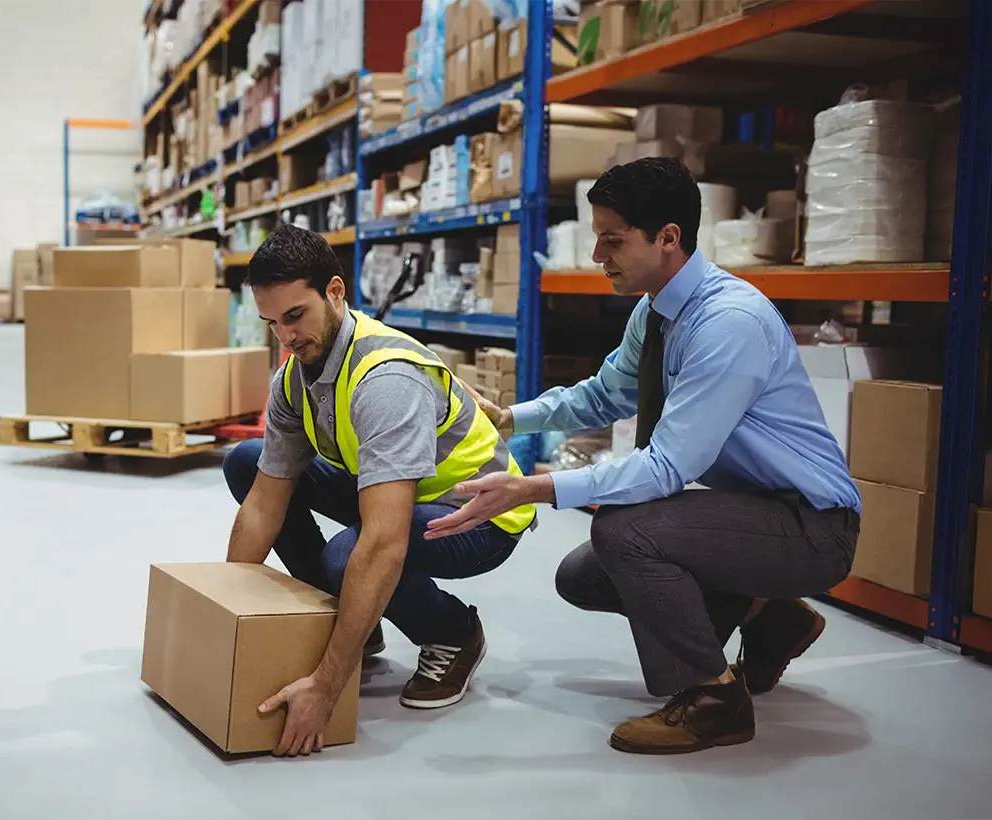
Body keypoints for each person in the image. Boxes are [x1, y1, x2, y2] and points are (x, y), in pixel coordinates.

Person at [426, 157, 861, 755]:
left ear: (668, 238)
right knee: (583, 575)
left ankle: (711, 700)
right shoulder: (656, 311)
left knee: (627, 530)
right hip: (760, 511)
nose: (598, 255)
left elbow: (666, 467)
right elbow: (606, 394)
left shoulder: (726, 323)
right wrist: (509, 417)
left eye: (612, 240)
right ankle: (772, 616)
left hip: (813, 527)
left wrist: (536, 487)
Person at [222, 224, 537, 757]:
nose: (286, 337)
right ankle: (354, 626)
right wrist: (223, 614)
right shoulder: (293, 379)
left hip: (478, 513)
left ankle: (453, 633)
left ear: (336, 292)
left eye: (295, 316)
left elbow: (384, 543)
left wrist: (327, 684)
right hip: (407, 494)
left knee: (351, 555)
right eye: (272, 323)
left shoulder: (385, 379)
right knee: (247, 463)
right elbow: (263, 504)